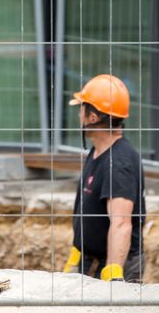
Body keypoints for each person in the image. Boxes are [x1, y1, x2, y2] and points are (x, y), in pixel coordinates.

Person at [61, 73, 146, 282]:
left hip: (110, 264)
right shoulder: (99, 151)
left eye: (81, 108)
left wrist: (113, 274)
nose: (78, 114)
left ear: (93, 117)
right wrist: (78, 253)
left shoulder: (119, 163)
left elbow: (121, 224)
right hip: (92, 262)